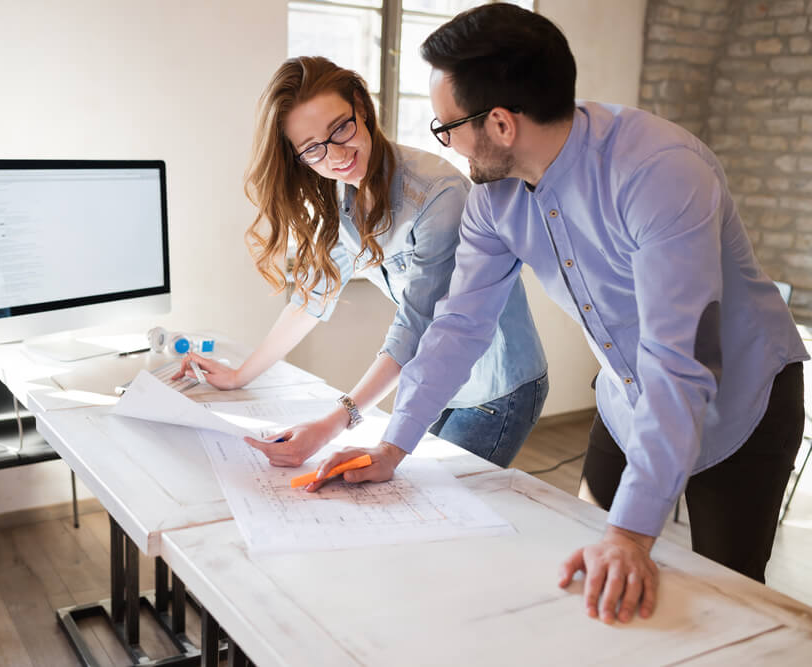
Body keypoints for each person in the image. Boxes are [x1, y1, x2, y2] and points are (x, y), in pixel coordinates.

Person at [312, 4, 808, 625]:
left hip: (741, 399)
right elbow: (460, 325)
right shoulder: (493, 199)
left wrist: (631, 535)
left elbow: (678, 360)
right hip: (627, 397)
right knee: (587, 574)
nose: (443, 142)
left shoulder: (659, 173)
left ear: (499, 123)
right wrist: (393, 444)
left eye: (445, 127)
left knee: (733, 604)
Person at [177, 55, 548, 470]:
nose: (335, 156)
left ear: (361, 105)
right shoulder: (343, 197)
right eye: (313, 149)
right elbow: (313, 296)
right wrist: (239, 376)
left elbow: (415, 326)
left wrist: (332, 424)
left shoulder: (437, 194)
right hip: (437, 383)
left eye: (340, 129)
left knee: (440, 509)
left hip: (496, 386)